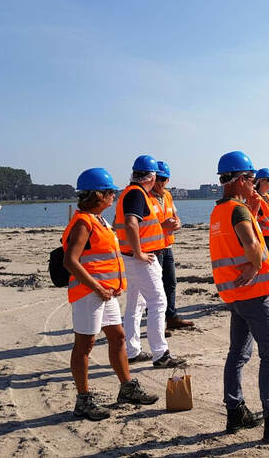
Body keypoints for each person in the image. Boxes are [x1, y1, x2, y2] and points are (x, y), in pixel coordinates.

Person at [210, 151, 269, 442]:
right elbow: (252, 244)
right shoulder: (236, 211)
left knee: (237, 354)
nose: (254, 185)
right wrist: (255, 265)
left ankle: (235, 410)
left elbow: (236, 237)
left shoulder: (219, 211)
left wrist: (251, 209)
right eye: (251, 180)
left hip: (235, 295)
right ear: (240, 180)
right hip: (254, 294)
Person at [63, 168, 158, 420]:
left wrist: (107, 289)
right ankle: (83, 400)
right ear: (98, 195)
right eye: (110, 192)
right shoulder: (84, 222)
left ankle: (126, 388)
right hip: (89, 293)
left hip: (106, 293)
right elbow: (70, 261)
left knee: (118, 337)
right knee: (85, 345)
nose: (114, 196)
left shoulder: (100, 220)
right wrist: (97, 287)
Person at [114, 155, 186, 368]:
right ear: (152, 177)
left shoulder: (131, 193)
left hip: (131, 256)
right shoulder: (137, 193)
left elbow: (135, 224)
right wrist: (139, 253)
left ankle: (132, 350)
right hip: (141, 258)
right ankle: (160, 354)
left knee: (136, 305)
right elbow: (131, 223)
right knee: (158, 302)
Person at [150, 160, 193, 331]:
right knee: (156, 288)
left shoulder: (167, 195)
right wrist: (162, 227)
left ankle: (171, 316)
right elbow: (140, 227)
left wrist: (177, 223)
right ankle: (158, 323)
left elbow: (175, 216)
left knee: (170, 283)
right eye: (158, 178)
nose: (160, 182)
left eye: (164, 179)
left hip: (167, 246)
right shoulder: (145, 196)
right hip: (152, 247)